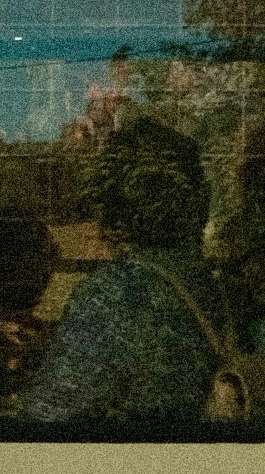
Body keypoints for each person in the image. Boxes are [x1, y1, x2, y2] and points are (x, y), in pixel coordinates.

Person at [21, 117, 244, 426]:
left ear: (113, 206)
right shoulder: (208, 283)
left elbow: (48, 415)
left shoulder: (116, 293)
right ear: (198, 200)